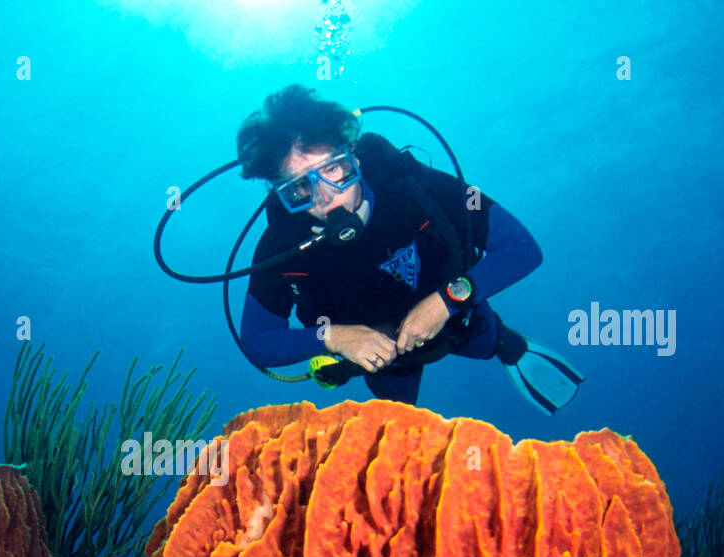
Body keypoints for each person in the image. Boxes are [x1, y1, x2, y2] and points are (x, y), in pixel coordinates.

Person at [236, 85, 583, 414]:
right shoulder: (282, 246)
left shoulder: (411, 186)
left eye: (332, 169)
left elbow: (522, 249)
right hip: (382, 358)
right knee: (398, 416)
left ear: (351, 154)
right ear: (282, 191)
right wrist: (332, 337)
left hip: (459, 321)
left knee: (487, 339)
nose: (326, 197)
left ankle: (510, 346)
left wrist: (446, 301)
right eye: (300, 186)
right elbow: (256, 341)